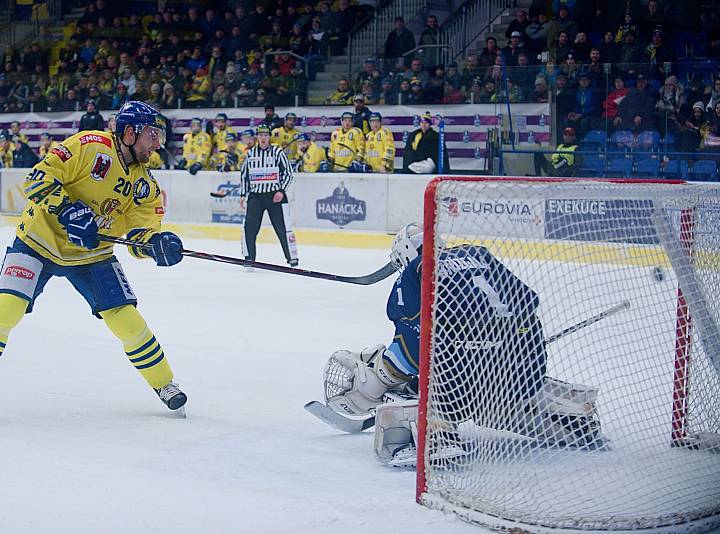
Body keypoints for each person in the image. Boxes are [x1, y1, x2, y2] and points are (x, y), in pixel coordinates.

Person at [0, 101, 188, 420]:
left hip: (92, 254)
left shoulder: (146, 187)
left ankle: (165, 384)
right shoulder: (88, 146)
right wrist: (67, 209)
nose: (158, 144)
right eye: (153, 136)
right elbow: (36, 179)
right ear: (130, 132)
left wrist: (155, 244)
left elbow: (138, 236)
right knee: (5, 309)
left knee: (128, 321)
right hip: (37, 241)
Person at [320, 223, 606, 467]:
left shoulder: (413, 273)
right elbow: (527, 300)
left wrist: (384, 376)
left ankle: (438, 435)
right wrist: (504, 341)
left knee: (418, 379)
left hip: (461, 387)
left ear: (403, 254)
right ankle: (574, 423)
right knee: (506, 401)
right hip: (525, 372)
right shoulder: (478, 254)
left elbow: (410, 345)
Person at [239, 124, 298, 267]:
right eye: (260, 135)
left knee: (283, 228)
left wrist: (281, 191)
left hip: (275, 196)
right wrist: (243, 195)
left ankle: (292, 257)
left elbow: (289, 174)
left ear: (269, 137)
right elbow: (244, 175)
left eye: (266, 135)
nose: (263, 138)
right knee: (249, 228)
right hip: (256, 196)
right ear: (257, 137)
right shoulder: (251, 153)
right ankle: (249, 258)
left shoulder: (277, 152)